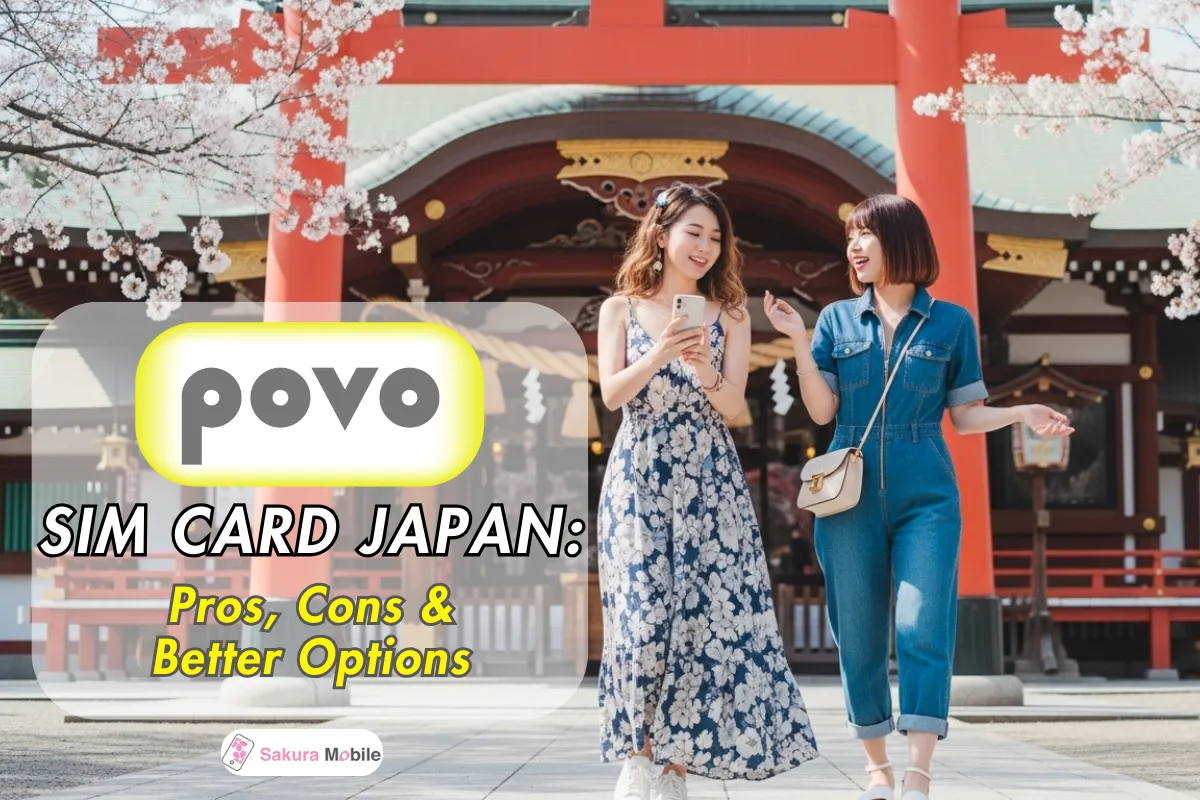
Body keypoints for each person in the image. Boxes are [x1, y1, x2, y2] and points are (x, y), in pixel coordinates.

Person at [763, 193, 1072, 800]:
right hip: (848, 486)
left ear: (900, 241)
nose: (853, 246)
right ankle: (876, 764)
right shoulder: (835, 321)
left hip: (926, 487)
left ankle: (918, 770)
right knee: (856, 629)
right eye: (850, 236)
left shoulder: (952, 323)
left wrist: (1022, 412)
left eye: (865, 234)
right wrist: (799, 341)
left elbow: (963, 417)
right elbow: (824, 410)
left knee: (921, 623)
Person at [595, 183, 819, 800]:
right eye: (693, 233)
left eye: (716, 237)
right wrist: (661, 350)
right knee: (640, 620)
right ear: (661, 235)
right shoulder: (620, 309)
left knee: (701, 622)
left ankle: (675, 768)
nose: (705, 247)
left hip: (708, 479)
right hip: (639, 475)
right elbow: (612, 396)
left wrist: (700, 365)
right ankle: (637, 755)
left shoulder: (731, 315)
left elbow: (732, 408)